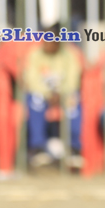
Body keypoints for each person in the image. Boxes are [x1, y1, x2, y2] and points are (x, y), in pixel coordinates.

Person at [22, 31, 83, 167]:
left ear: (58, 43)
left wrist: (61, 93)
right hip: (42, 94)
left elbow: (73, 80)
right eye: (45, 41)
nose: (47, 45)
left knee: (74, 101)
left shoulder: (70, 54)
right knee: (35, 100)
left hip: (64, 94)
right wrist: (48, 94)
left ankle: (74, 149)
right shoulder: (35, 54)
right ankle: (38, 147)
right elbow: (31, 80)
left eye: (51, 42)